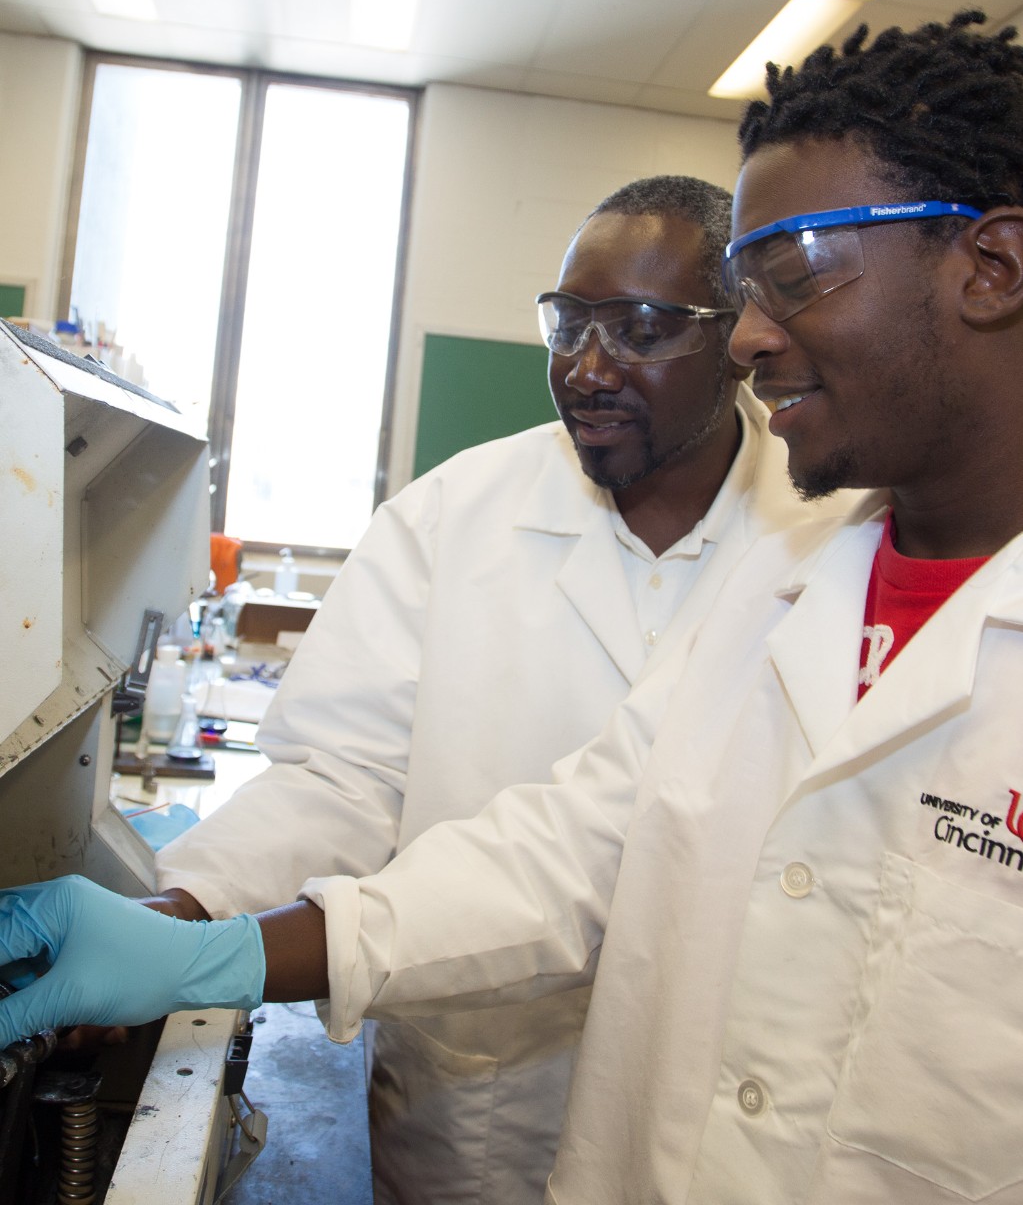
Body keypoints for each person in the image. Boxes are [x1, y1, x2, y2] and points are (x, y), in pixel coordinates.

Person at [8, 6, 1018, 1202]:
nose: (753, 337)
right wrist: (201, 939)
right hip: (506, 1125)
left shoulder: (786, 544)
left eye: (789, 278)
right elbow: (559, 856)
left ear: (992, 268)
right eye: (572, 323)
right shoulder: (782, 592)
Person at [97, 175, 836, 1205]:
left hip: (714, 1113)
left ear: (740, 332)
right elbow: (339, 779)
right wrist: (183, 908)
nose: (586, 365)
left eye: (642, 327)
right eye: (567, 321)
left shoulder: (827, 537)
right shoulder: (451, 516)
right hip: (472, 1109)